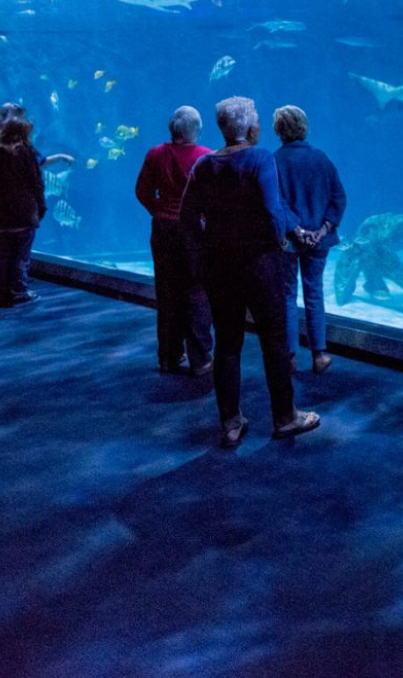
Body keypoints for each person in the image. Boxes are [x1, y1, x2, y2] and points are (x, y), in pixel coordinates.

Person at [180, 96, 320, 448]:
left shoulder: (203, 165)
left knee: (227, 343)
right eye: (256, 117)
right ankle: (285, 417)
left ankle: (230, 422)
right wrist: (281, 243)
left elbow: (186, 216)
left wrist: (204, 249)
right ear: (249, 126)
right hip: (260, 264)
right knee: (274, 341)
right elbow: (273, 211)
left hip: (219, 266)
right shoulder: (260, 158)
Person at [134, 105, 214, 376]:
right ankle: (200, 358)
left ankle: (169, 356)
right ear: (195, 130)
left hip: (164, 230)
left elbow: (142, 190)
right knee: (197, 291)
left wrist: (158, 210)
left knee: (167, 292)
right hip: (194, 232)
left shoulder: (156, 154)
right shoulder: (206, 157)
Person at [272, 104, 347, 374]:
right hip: (319, 240)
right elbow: (339, 197)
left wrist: (296, 230)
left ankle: (290, 355)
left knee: (288, 294)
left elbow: (275, 202)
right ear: (304, 127)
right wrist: (323, 229)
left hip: (288, 241)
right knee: (314, 292)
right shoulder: (322, 158)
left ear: (278, 130)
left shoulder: (275, 161)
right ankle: (319, 354)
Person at [0, 115, 45, 307]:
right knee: (21, 253)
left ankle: (4, 292)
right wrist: (41, 204)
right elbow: (35, 181)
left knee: (6, 253)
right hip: (23, 208)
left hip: (0, 210)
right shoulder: (24, 151)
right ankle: (19, 290)